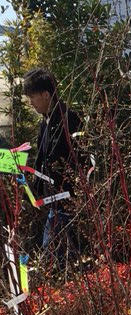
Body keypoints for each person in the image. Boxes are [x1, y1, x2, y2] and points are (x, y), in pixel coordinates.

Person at [23, 68, 81, 263]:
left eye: (33, 97)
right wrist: (33, 189)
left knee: (58, 254)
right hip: (53, 199)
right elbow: (41, 158)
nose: (31, 103)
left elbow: (71, 159)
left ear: (46, 94)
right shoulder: (45, 122)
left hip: (67, 197)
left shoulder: (68, 119)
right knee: (56, 254)